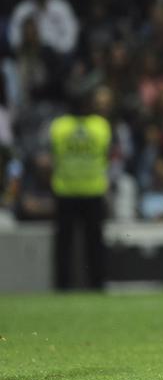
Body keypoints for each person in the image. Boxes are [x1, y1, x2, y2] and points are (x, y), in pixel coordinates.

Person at [50, 88, 111, 290]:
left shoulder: (59, 126)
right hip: (79, 190)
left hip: (75, 191)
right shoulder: (100, 126)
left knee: (68, 244)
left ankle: (68, 285)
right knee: (85, 244)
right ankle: (91, 284)